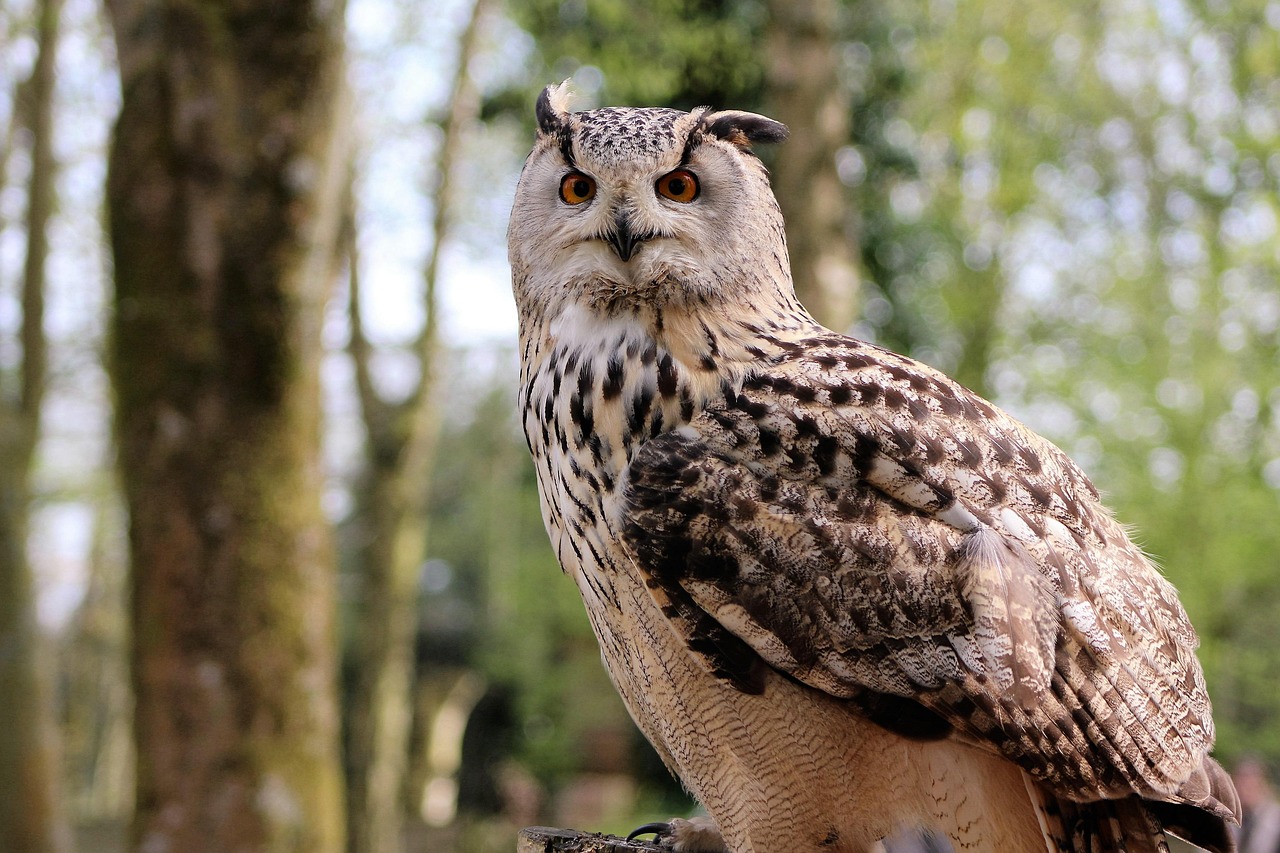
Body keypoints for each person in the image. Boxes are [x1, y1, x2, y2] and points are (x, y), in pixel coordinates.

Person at [1235, 756, 1280, 853]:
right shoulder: (1226, 819)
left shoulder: (1275, 819)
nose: (1244, 790)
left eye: (1251, 785)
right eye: (1241, 784)